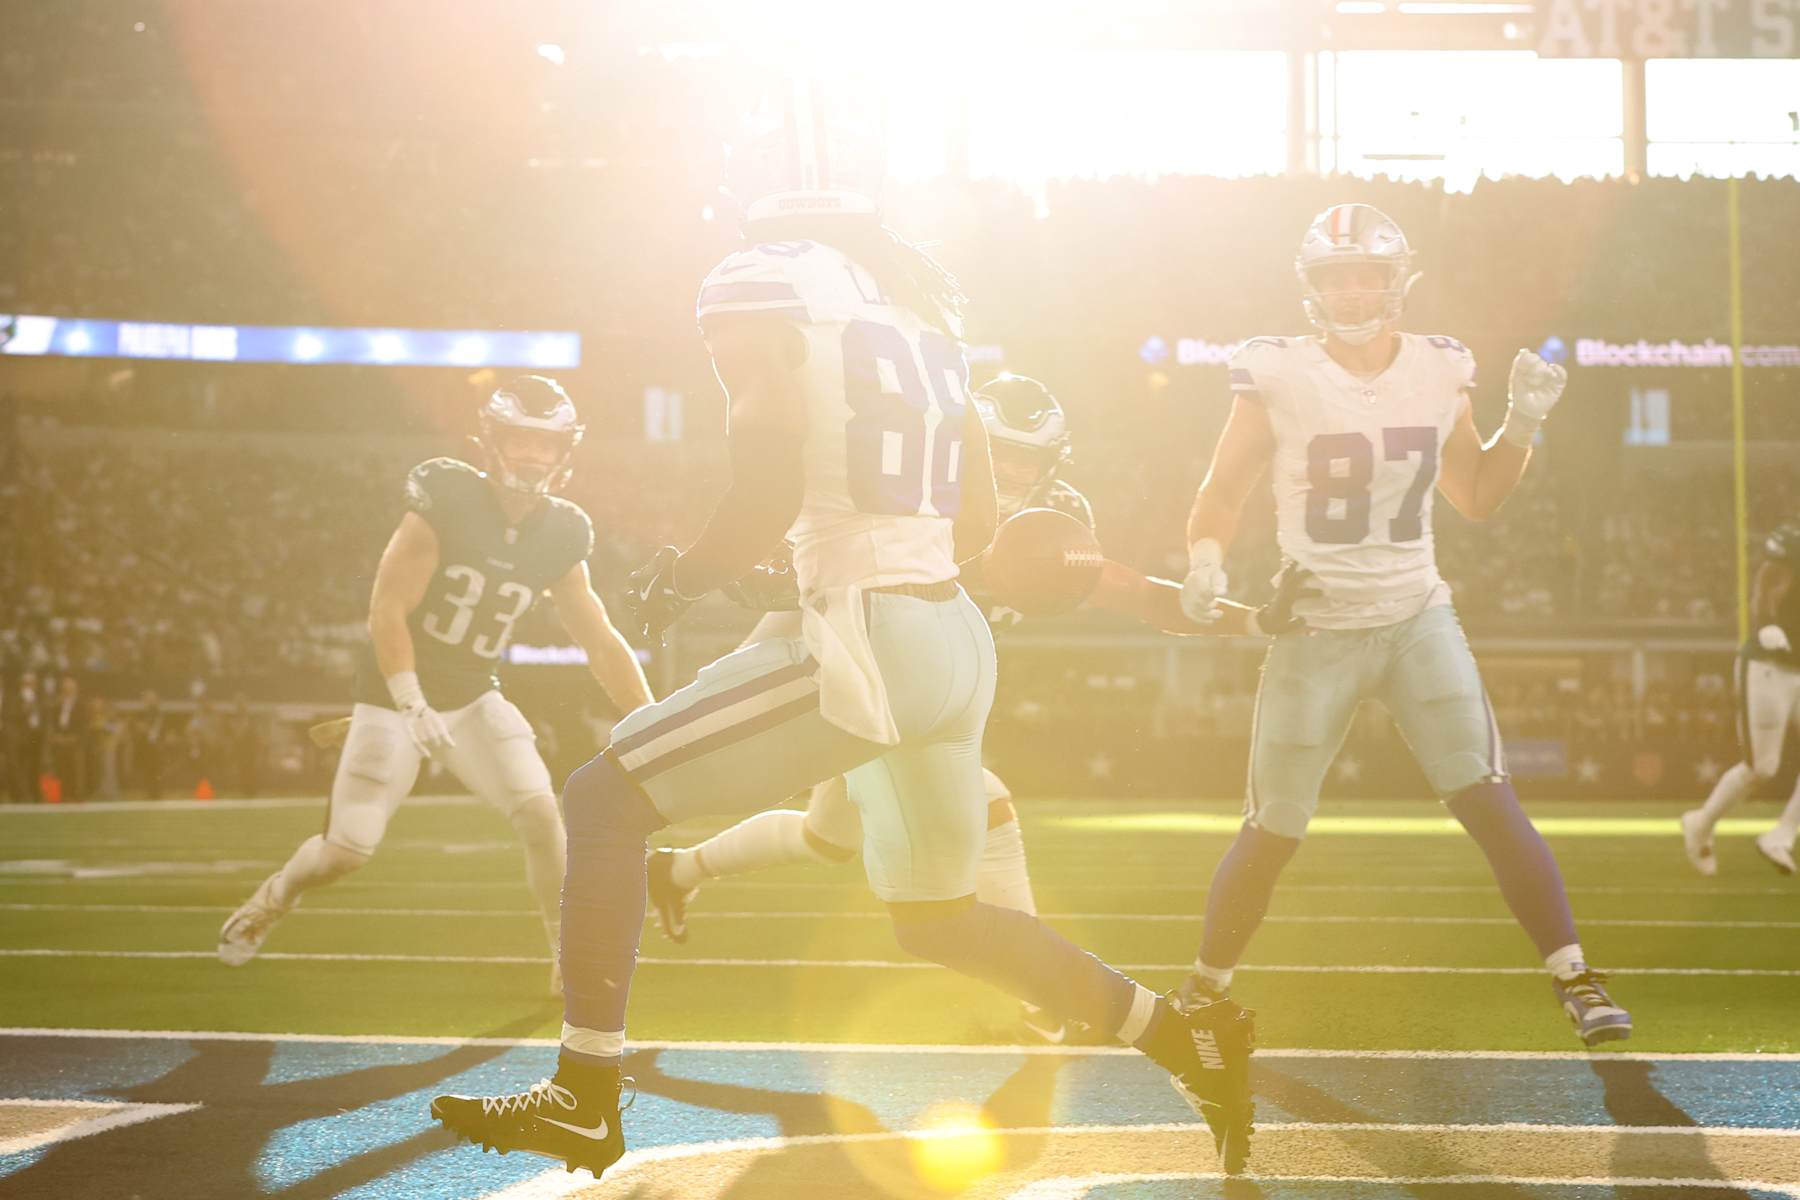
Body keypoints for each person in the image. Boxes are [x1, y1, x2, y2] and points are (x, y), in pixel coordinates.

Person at [430, 90, 1256, 1180]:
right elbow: (968, 526)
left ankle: (585, 1092)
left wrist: (694, 575)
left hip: (866, 645)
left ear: (761, 187)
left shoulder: (764, 287)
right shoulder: (925, 310)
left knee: (601, 799)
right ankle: (1183, 1036)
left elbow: (768, 470)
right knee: (941, 920)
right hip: (953, 641)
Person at [1174, 203, 1631, 1048]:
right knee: (1273, 826)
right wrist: (1205, 554)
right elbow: (1224, 488)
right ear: (1310, 288)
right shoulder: (1276, 370)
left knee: (1490, 799)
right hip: (1316, 627)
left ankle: (1576, 976)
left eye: (1366, 276)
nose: (1351, 292)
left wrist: (1522, 426)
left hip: (1417, 614)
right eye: (1335, 278)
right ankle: (1204, 989)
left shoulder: (1439, 367)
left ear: (1397, 281)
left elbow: (1479, 496)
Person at [643, 374, 1100, 1044]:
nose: (1007, 471)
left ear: (1051, 467)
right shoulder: (913, 493)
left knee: (828, 837)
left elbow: (1099, 581)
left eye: (1024, 461)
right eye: (996, 452)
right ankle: (1049, 1002)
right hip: (848, 651)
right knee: (989, 808)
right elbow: (811, 565)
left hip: (913, 671)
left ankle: (674, 870)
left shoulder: (1056, 518)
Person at [217, 376, 654, 996]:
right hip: (394, 696)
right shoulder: (446, 496)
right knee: (348, 850)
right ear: (491, 443)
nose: (532, 455)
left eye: (545, 444)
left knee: (540, 815)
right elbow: (387, 608)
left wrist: (650, 716)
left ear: (564, 453)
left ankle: (567, 955)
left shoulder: (563, 531)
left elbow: (600, 638)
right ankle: (273, 897)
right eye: (520, 440)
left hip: (474, 694)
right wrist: (408, 699)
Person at [1682, 522, 1800, 875]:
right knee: (1762, 767)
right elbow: (1766, 579)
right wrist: (1765, 623)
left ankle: (1782, 834)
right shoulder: (1791, 545)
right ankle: (1700, 823)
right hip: (1768, 665)